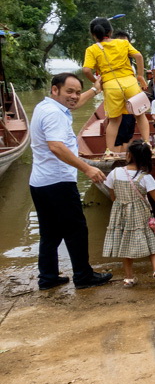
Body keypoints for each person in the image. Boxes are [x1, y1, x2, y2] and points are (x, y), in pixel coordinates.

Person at [29, 72, 113, 290]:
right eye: (70, 91)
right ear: (54, 90)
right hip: (58, 182)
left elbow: (74, 104)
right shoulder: (55, 114)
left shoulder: (45, 107)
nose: (75, 96)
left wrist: (95, 89)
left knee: (50, 233)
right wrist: (87, 168)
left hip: (40, 182)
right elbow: (56, 146)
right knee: (76, 229)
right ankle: (83, 276)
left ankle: (47, 278)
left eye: (77, 92)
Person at [102, 140, 155, 287]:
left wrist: (119, 205)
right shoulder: (145, 177)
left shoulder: (115, 172)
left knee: (125, 244)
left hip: (120, 212)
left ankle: (129, 278)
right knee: (152, 240)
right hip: (141, 212)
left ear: (129, 154)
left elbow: (112, 193)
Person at [82, 17, 150, 154]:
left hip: (111, 85)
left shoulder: (92, 49)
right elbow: (139, 56)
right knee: (140, 115)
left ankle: (110, 151)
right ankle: (147, 143)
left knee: (114, 121)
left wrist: (96, 83)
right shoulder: (122, 43)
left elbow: (86, 70)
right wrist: (140, 76)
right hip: (130, 83)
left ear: (93, 34)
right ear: (111, 31)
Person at [111, 30, 137, 152]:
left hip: (130, 107)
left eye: (127, 43)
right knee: (118, 135)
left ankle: (126, 161)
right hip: (117, 107)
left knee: (128, 134)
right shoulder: (110, 63)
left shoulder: (131, 64)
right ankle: (116, 161)